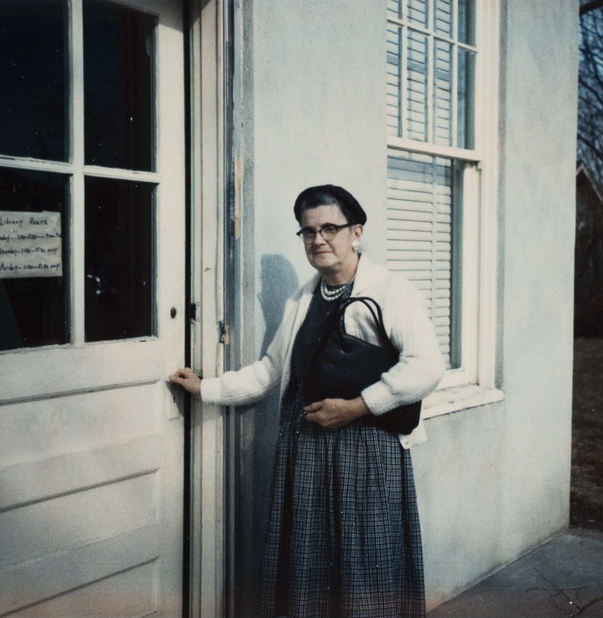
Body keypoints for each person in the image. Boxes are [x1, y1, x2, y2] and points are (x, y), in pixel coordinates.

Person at [170, 185, 446, 618]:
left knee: (364, 567)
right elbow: (270, 370)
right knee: (309, 570)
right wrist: (205, 388)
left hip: (368, 452)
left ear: (356, 231)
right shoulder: (301, 299)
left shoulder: (393, 292)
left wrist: (357, 406)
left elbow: (428, 366)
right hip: (308, 453)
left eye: (330, 228)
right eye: (308, 231)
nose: (318, 240)